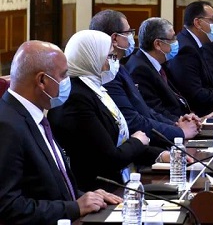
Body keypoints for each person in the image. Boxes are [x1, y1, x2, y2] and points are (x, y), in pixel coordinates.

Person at [0, 41, 122, 224]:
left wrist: (86, 197)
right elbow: (8, 207)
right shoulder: (7, 125)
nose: (67, 81)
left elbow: (48, 187)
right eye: (64, 75)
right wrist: (74, 207)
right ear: (42, 80)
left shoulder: (33, 115)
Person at [47, 30, 168, 191]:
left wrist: (161, 155)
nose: (113, 63)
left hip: (120, 182)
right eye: (110, 57)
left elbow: (119, 142)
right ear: (92, 59)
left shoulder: (96, 90)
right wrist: (138, 141)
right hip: (99, 192)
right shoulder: (76, 98)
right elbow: (109, 158)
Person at [90, 10, 198, 143]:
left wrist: (175, 124)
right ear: (115, 39)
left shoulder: (119, 67)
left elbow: (145, 110)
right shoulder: (108, 75)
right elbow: (133, 121)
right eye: (128, 32)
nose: (132, 36)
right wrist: (180, 131)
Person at [127, 17, 194, 120]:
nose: (176, 42)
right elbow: (155, 111)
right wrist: (180, 122)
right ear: (158, 44)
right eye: (173, 38)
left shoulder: (158, 63)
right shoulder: (140, 70)